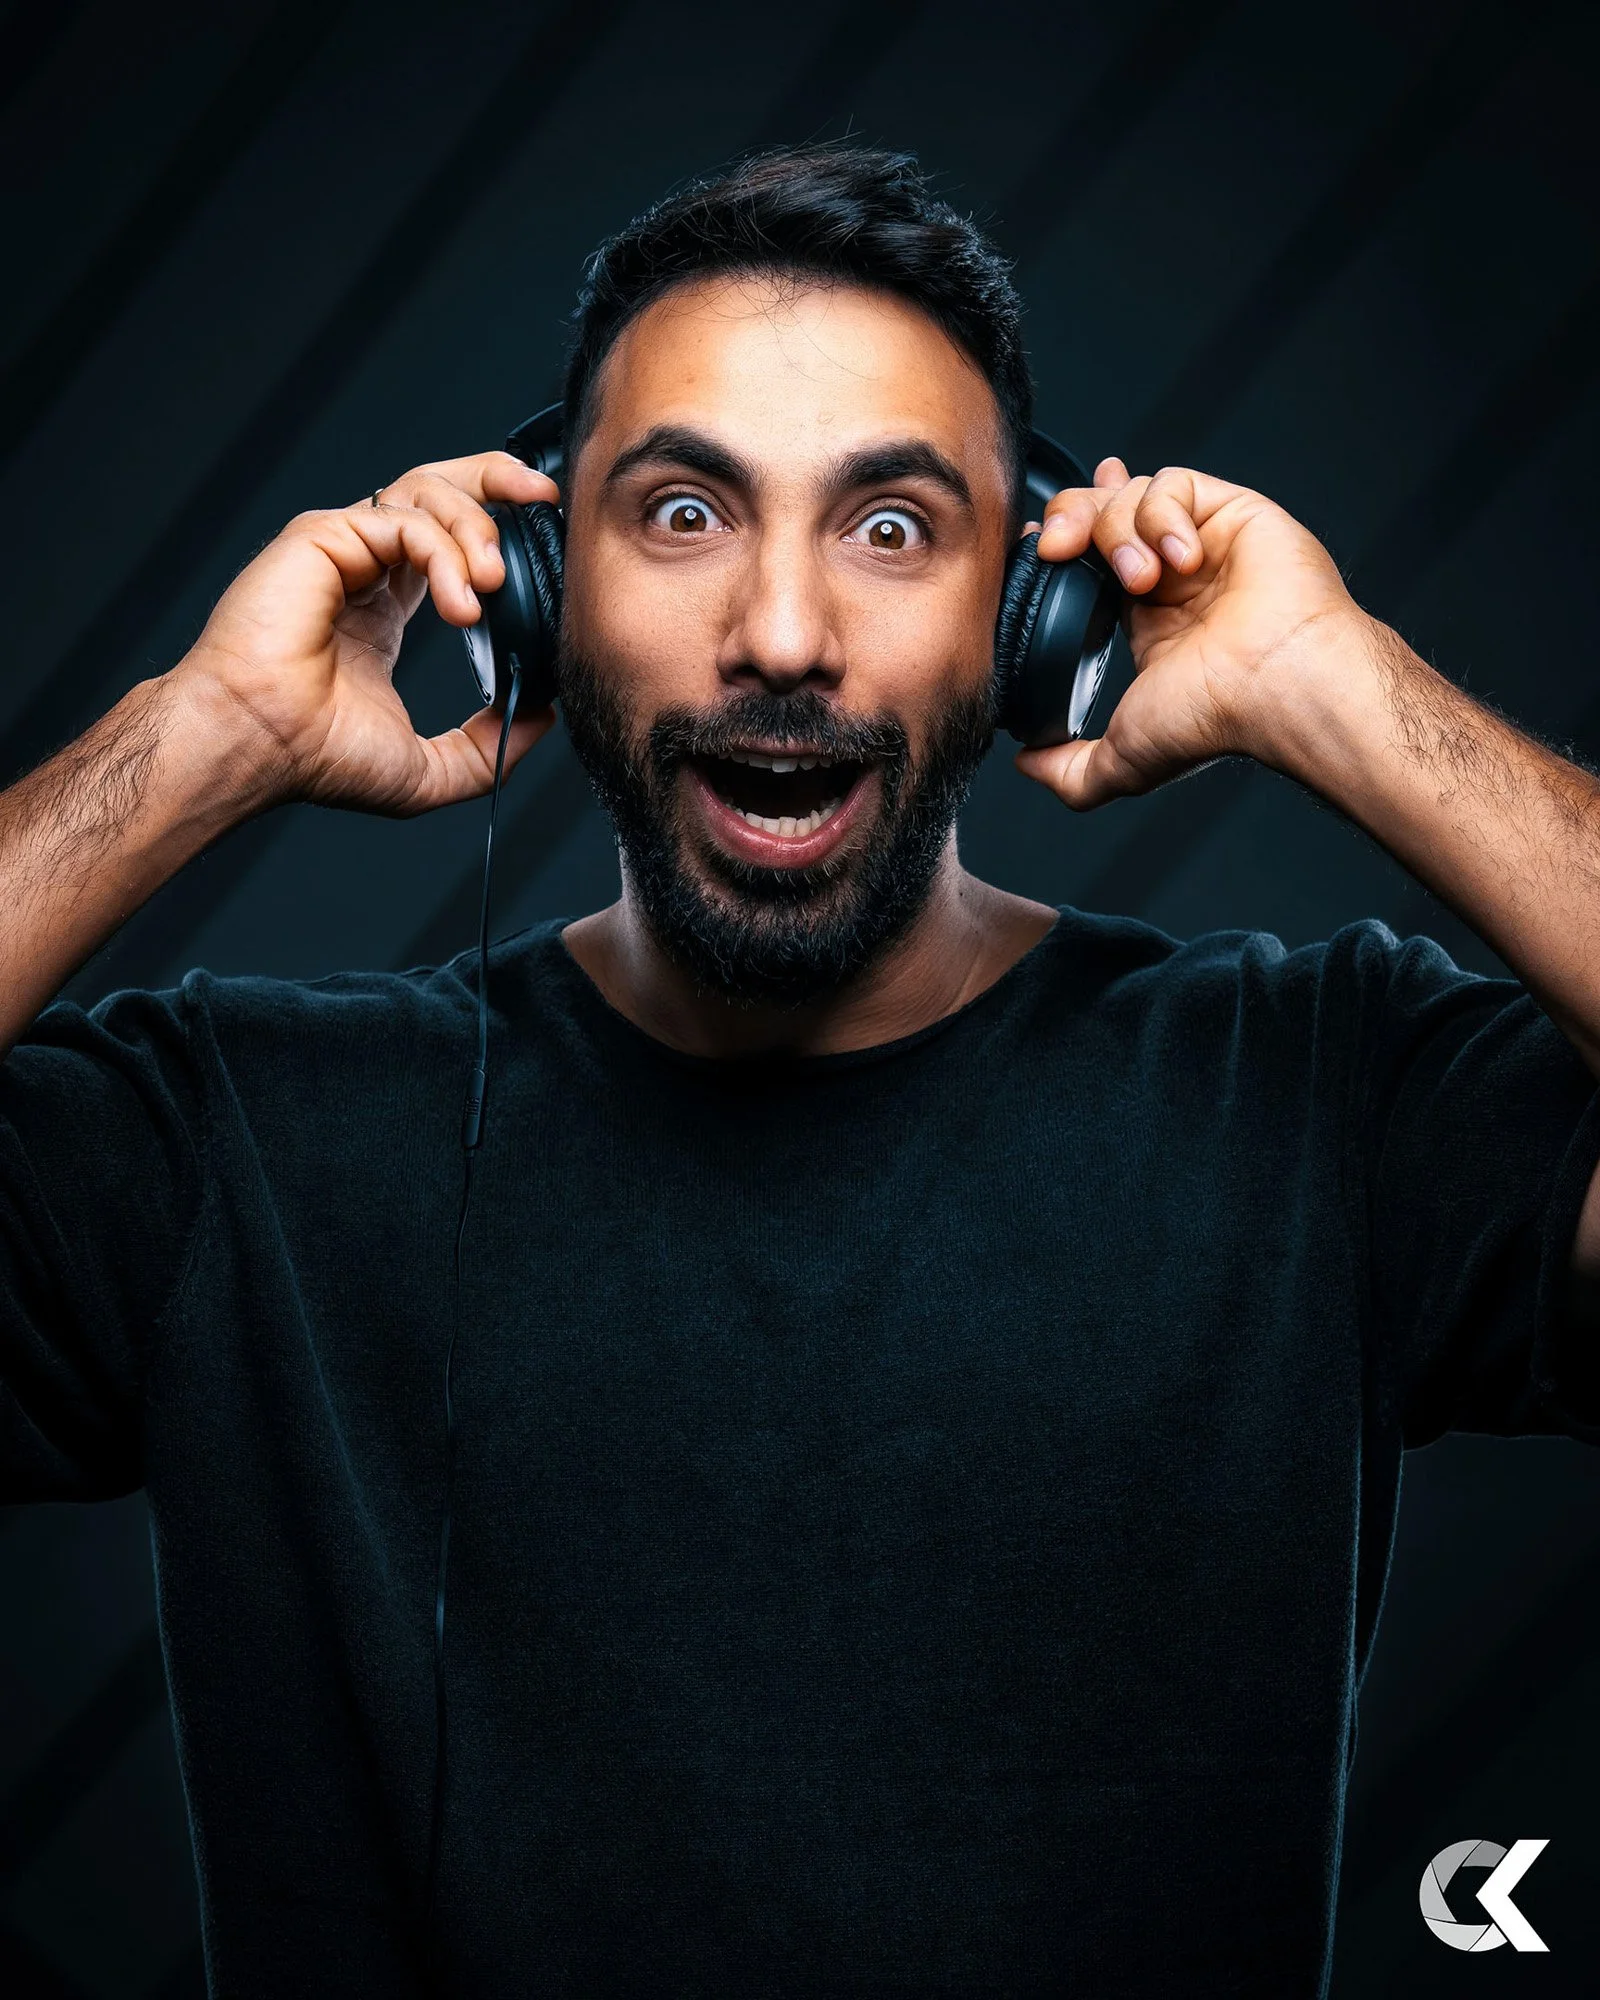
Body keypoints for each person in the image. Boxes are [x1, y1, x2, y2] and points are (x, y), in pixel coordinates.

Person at [2, 144, 1597, 1998]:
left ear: (1033, 622)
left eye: (894, 528)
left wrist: (1340, 685)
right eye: (682, 515)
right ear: (534, 590)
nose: (780, 635)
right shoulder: (233, 1144)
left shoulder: (1318, 1094)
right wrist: (200, 735)